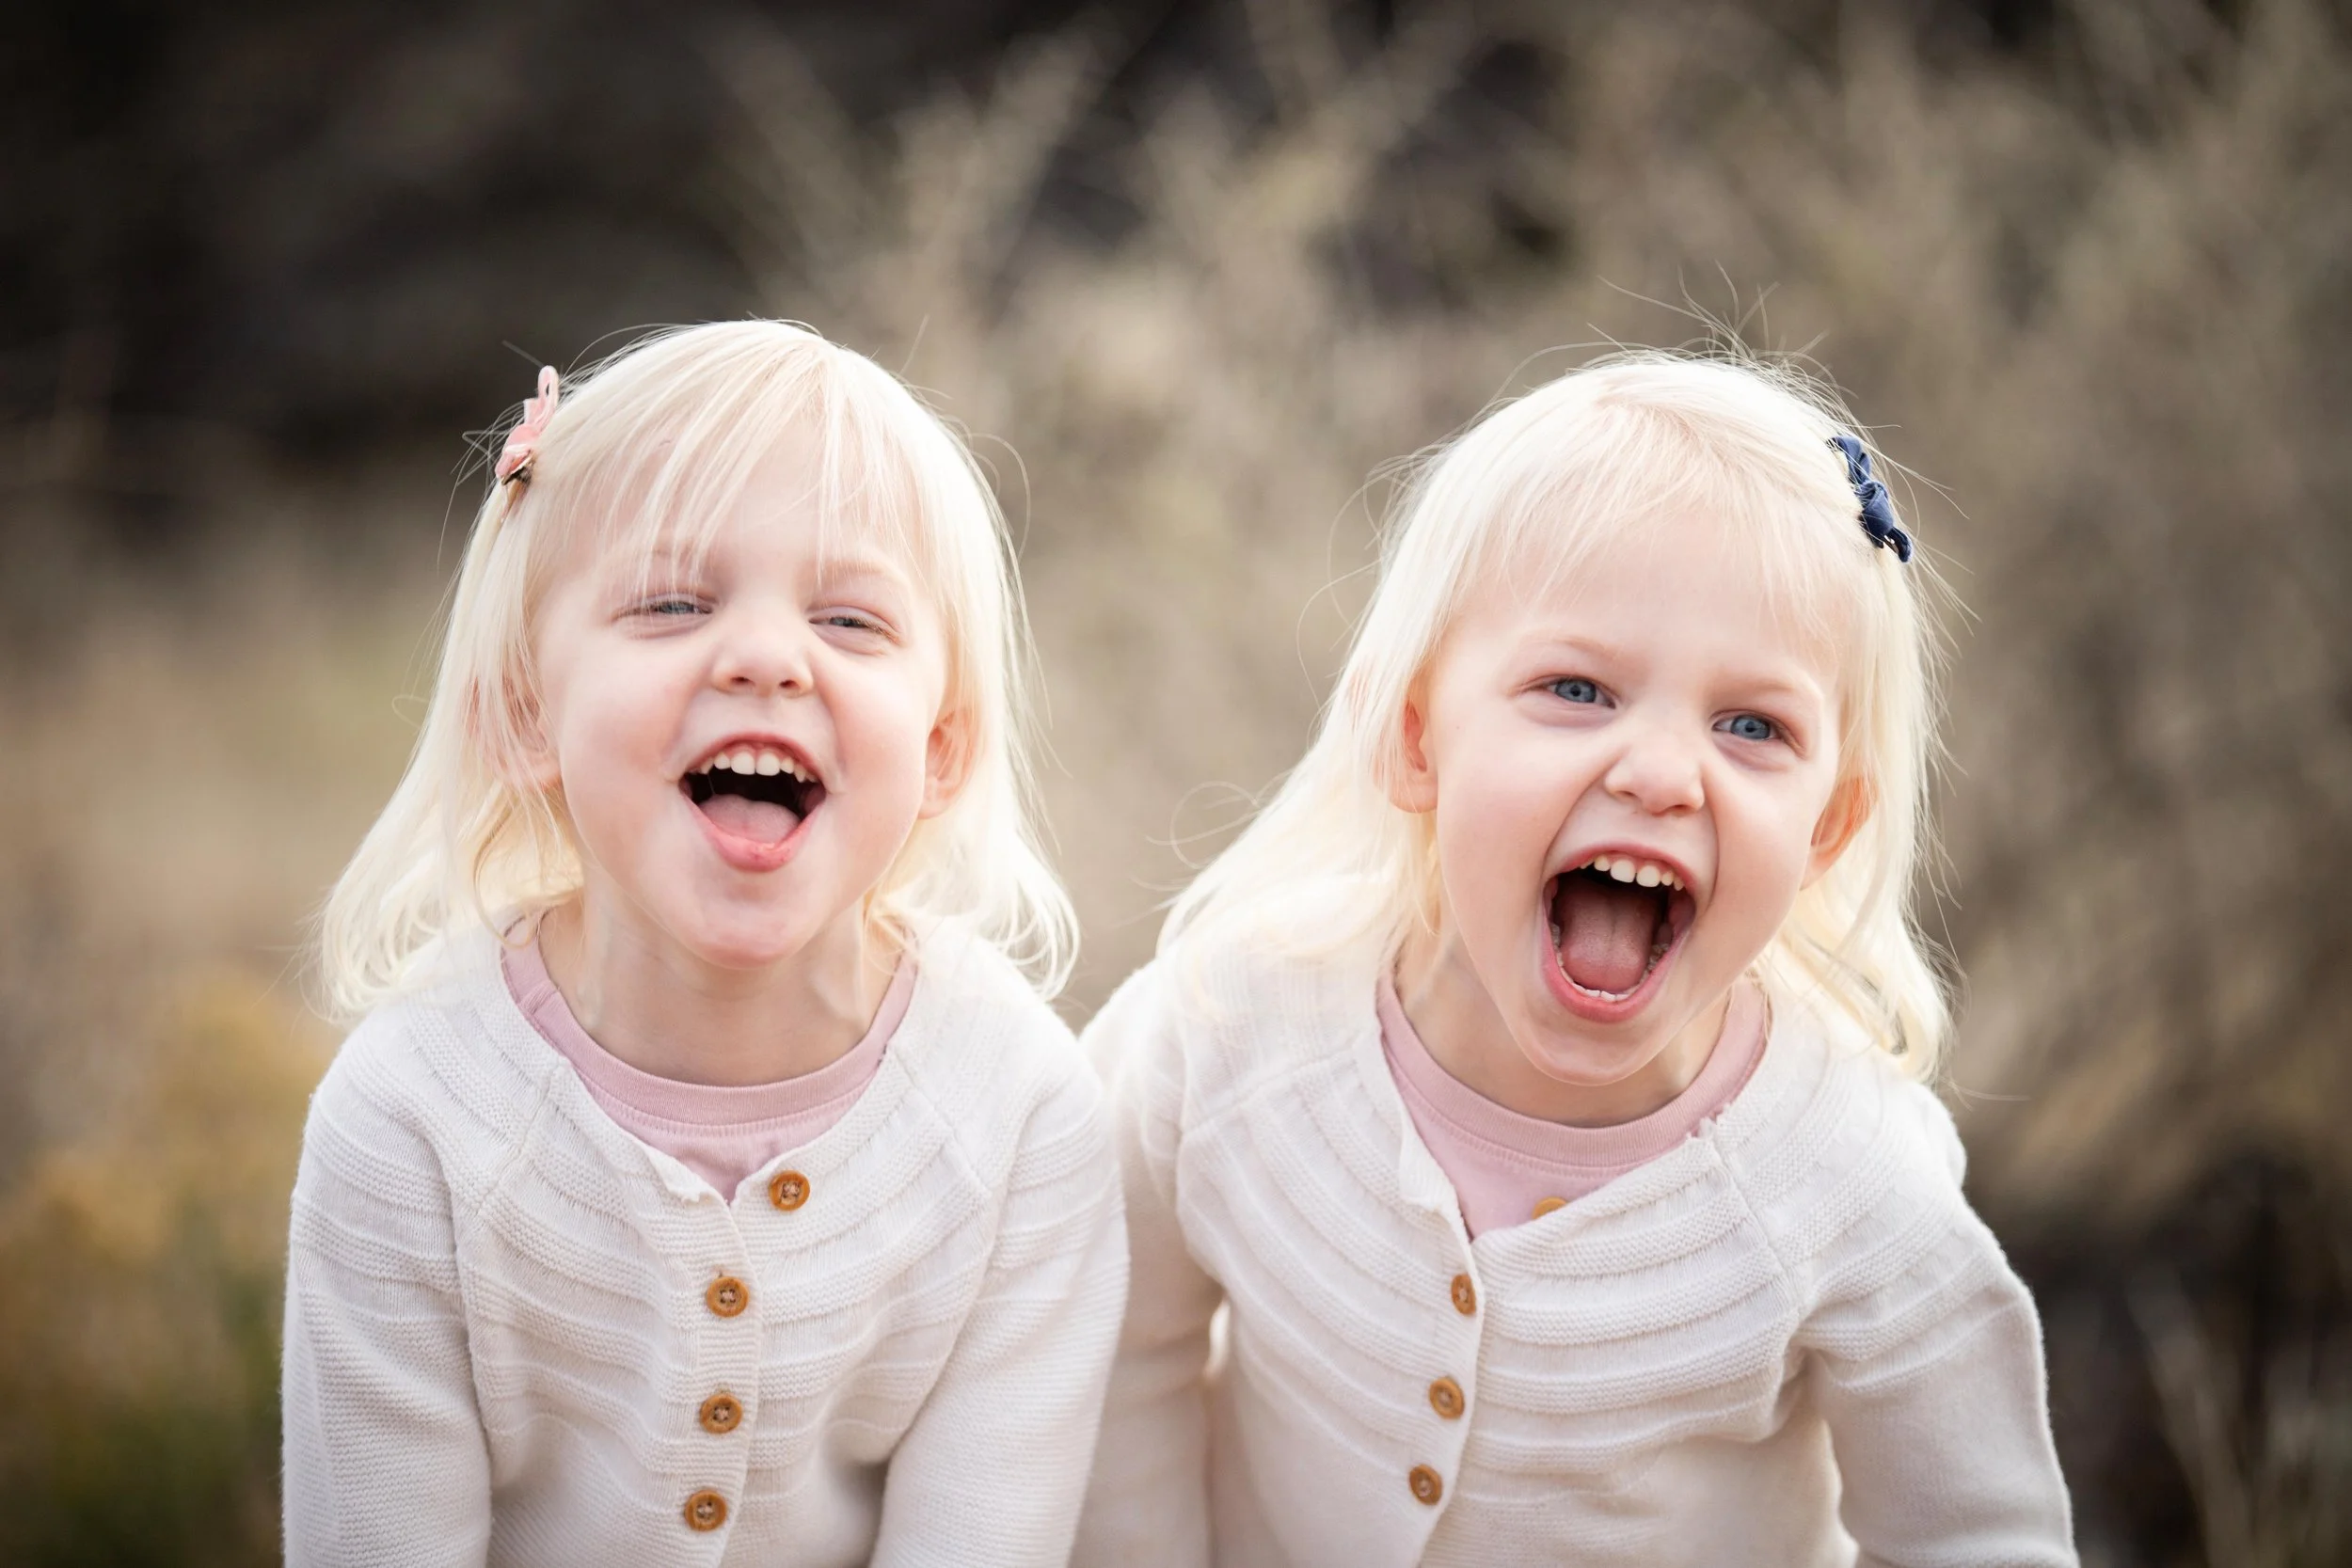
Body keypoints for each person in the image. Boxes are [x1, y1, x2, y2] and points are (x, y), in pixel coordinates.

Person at [1074, 353, 2075, 1565]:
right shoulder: (1232, 1027)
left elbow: (1976, 1532)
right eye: (1577, 689)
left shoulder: (1843, 1175)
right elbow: (1112, 1346)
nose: (1658, 771)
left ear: (1826, 829)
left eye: (1752, 726)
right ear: (1413, 737)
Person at [286, 321, 1126, 1566]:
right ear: (524, 711)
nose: (766, 659)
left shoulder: (1019, 1115)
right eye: (673, 601)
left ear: (941, 750)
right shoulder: (413, 1118)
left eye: (850, 621)